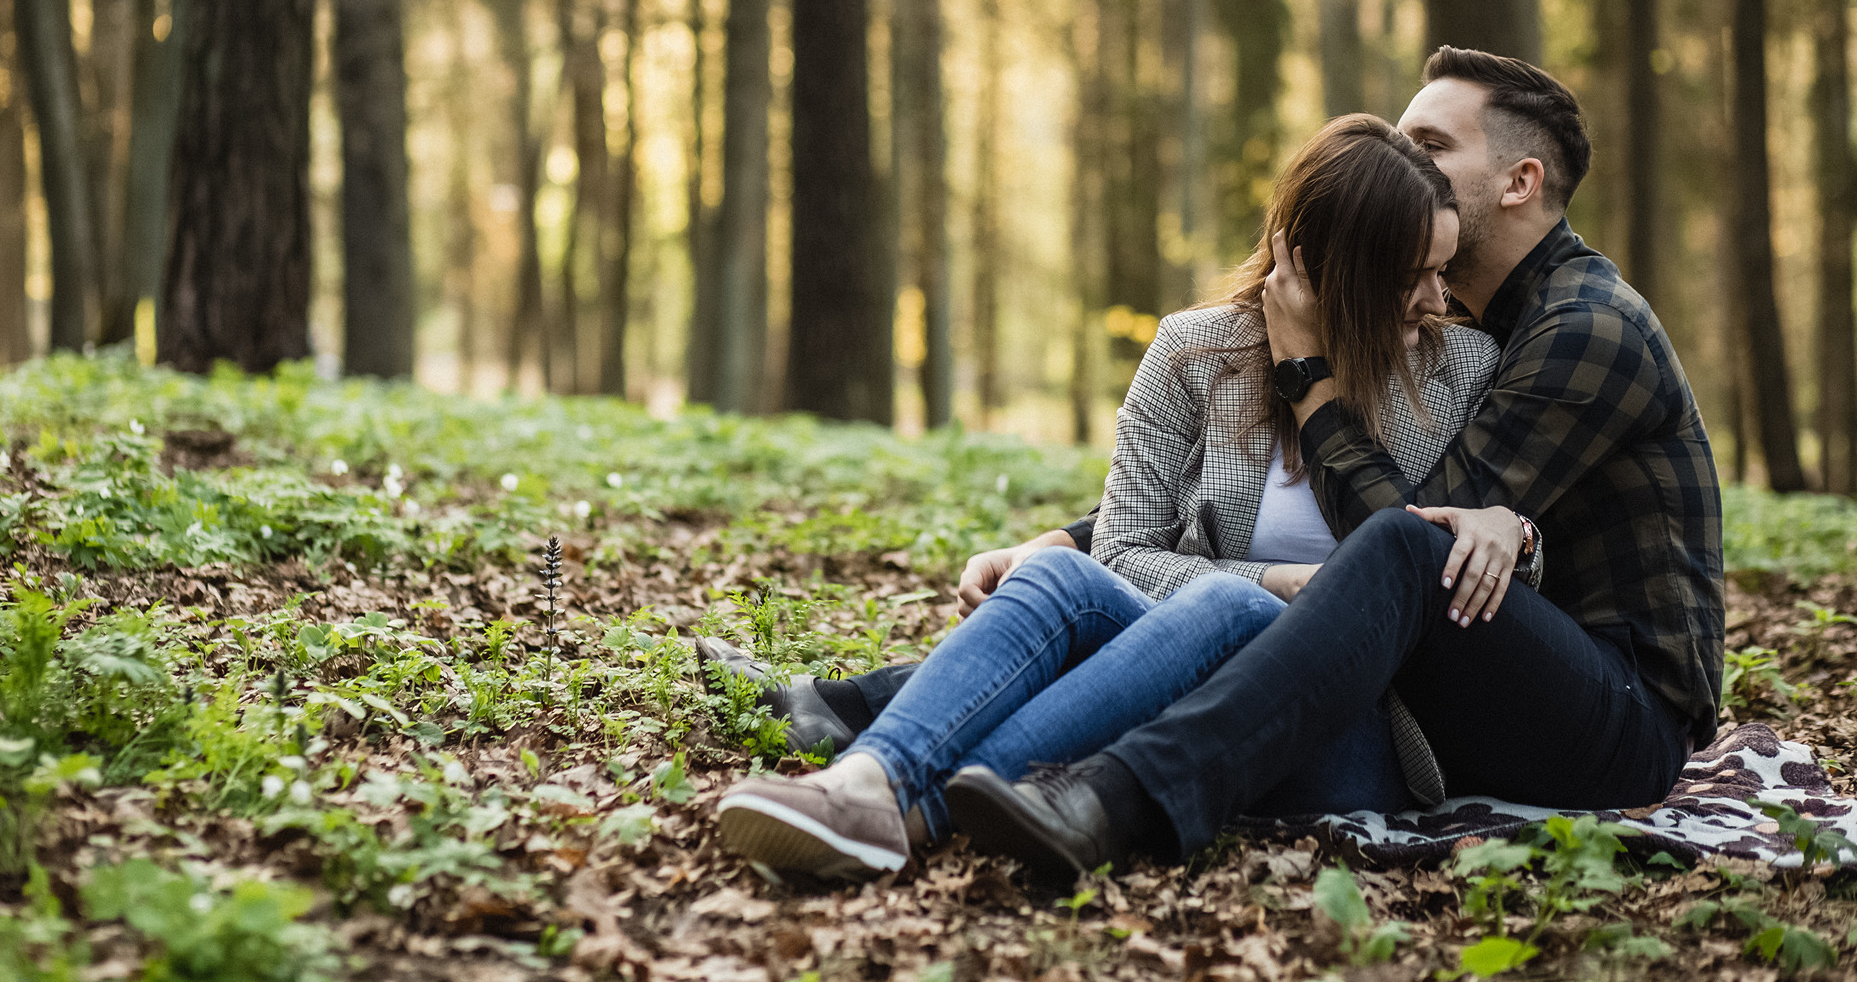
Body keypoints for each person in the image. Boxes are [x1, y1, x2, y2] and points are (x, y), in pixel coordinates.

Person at [946, 47, 1723, 881]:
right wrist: (1076, 541)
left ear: (1519, 182)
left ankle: (1124, 792)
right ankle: (876, 723)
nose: (1401, 158)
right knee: (1122, 603)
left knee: (1352, 566)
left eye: (1428, 144)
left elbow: (1407, 547)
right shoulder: (1480, 318)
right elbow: (1339, 531)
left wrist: (1308, 379)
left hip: (1619, 716)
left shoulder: (1584, 329)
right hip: (1504, 676)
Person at [710, 115, 1518, 880]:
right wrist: (1275, 583)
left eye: (1441, 270)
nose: (1436, 300)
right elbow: (1124, 551)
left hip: (1346, 726)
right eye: (1409, 276)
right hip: (1176, 670)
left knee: (1228, 611)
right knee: (1063, 576)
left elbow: (1473, 555)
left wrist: (1289, 595)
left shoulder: (1462, 378)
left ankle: (900, 799)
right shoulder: (1194, 353)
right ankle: (865, 789)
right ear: (1315, 268)